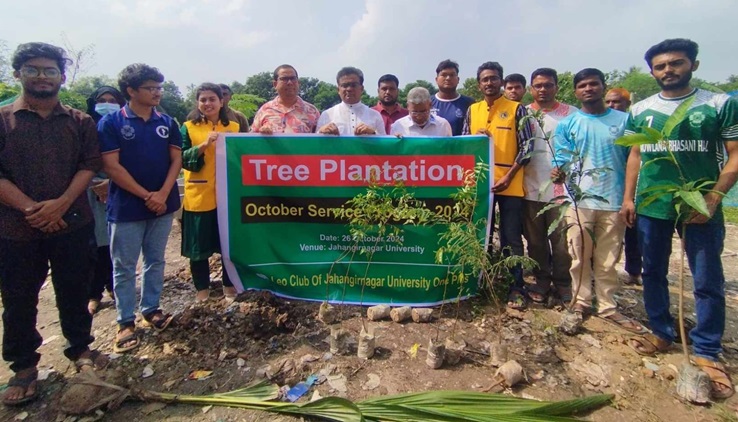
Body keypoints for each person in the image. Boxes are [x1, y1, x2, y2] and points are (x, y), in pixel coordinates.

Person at [621, 39, 738, 399]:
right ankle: (660, 329)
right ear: (652, 71)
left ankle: (706, 349)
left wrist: (714, 197)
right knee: (653, 271)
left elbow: (735, 154)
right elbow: (636, 155)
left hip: (699, 203)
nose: (668, 70)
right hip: (653, 203)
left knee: (706, 277)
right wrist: (629, 197)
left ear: (694, 65)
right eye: (661, 66)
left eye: (676, 63)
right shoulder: (641, 109)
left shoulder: (718, 103)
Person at [0, 42, 108, 407]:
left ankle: (80, 350)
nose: (42, 77)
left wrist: (61, 204)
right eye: (33, 69)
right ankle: (24, 366)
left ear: (61, 76)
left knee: (75, 290)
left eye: (49, 70)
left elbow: (89, 165)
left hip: (73, 221)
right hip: (16, 227)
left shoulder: (80, 121)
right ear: (18, 74)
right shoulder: (2, 120)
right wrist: (32, 209)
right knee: (18, 299)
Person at [551, 68, 644, 333]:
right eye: (582, 86)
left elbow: (633, 161)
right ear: (576, 91)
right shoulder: (568, 124)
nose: (588, 89)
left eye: (593, 84)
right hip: (580, 201)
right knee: (579, 255)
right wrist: (558, 172)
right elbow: (562, 157)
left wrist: (629, 198)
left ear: (603, 87)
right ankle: (580, 301)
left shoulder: (625, 121)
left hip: (614, 201)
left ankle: (607, 305)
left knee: (608, 258)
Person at [99, 63, 182, 353]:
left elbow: (176, 161)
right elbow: (111, 166)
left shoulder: (167, 122)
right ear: (131, 91)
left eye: (159, 87)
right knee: (123, 266)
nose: (157, 92)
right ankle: (125, 321)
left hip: (163, 204)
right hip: (127, 206)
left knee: (156, 260)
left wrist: (162, 194)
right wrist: (147, 194)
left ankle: (152, 309)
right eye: (150, 88)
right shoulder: (112, 123)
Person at [462, 61, 534, 310]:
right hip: (481, 186)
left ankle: (516, 286)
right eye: (485, 79)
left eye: (493, 78)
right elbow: (464, 146)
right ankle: (480, 282)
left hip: (510, 185)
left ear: (501, 81)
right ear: (478, 83)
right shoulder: (473, 110)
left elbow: (527, 148)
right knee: (479, 235)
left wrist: (509, 176)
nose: (489, 83)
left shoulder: (517, 109)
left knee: (511, 238)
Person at [522, 68, 577, 305]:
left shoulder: (571, 115)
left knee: (562, 241)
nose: (543, 90)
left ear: (556, 87)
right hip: (529, 186)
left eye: (548, 85)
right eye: (538, 86)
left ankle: (564, 282)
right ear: (531, 89)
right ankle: (542, 280)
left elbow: (580, 149)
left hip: (562, 190)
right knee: (535, 241)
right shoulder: (523, 114)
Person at [181, 83, 240, 302]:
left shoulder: (233, 127)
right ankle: (202, 290)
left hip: (227, 195)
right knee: (198, 247)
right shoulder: (188, 127)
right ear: (198, 103)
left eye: (212, 99)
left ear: (221, 101)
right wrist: (204, 145)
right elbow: (182, 157)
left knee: (227, 241)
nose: (207, 104)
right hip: (199, 196)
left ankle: (229, 285)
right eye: (203, 100)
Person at [85, 86, 126, 315]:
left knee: (115, 243)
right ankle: (93, 293)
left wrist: (111, 183)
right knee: (93, 244)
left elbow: (130, 159)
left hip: (119, 187)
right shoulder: (84, 125)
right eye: (103, 100)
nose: (108, 104)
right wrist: (94, 184)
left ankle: (113, 286)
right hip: (87, 190)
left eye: (113, 100)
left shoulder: (123, 126)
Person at [605, 88, 641, 286]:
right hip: (608, 187)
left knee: (633, 230)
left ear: (627, 103)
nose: (612, 106)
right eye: (608, 102)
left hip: (633, 187)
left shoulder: (633, 124)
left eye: (617, 102)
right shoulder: (603, 122)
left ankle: (634, 271)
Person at [251, 64, 320, 134]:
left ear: (298, 83)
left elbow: (321, 140)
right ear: (275, 84)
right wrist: (262, 133)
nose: (289, 82)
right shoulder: (265, 110)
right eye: (284, 79)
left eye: (293, 78)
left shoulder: (312, 111)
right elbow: (252, 140)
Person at [317, 67, 385, 136]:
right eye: (345, 85)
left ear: (361, 88)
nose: (349, 89)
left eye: (353, 85)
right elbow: (315, 143)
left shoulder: (375, 115)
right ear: (338, 90)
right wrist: (321, 133)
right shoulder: (327, 115)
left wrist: (373, 134)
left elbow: (384, 144)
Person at [431, 59, 474, 136]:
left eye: (452, 75)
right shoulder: (428, 102)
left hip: (459, 147)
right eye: (444, 75)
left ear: (458, 80)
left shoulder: (469, 103)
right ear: (436, 80)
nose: (448, 78)